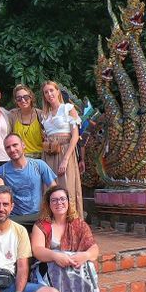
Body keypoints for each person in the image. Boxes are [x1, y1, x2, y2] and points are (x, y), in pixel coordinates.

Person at [30, 185, 105, 292]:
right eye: (54, 200)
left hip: (73, 265)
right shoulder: (41, 225)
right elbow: (37, 250)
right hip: (47, 267)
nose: (59, 203)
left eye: (62, 199)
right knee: (58, 267)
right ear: (48, 204)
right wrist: (55, 256)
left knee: (87, 264)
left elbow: (94, 248)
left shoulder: (78, 224)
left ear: (68, 202)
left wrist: (85, 255)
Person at [0, 133, 57, 230]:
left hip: (37, 216)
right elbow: (1, 197)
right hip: (15, 218)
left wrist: (47, 206)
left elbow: (54, 188)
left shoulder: (39, 165)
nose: (12, 149)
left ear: (23, 145)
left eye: (15, 145)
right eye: (8, 147)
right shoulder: (1, 171)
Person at [41, 80, 84, 218]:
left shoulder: (68, 108)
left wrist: (65, 160)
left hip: (66, 151)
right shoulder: (44, 114)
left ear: (58, 91)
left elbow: (75, 136)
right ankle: (53, 222)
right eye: (46, 92)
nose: (49, 94)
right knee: (50, 189)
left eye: (51, 90)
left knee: (67, 187)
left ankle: (72, 222)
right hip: (49, 154)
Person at [9, 84, 45, 159]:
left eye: (26, 97)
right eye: (19, 98)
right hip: (20, 158)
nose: (23, 100)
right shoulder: (12, 115)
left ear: (31, 97)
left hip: (40, 158)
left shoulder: (40, 114)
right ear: (15, 101)